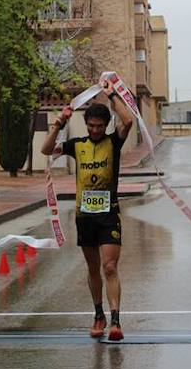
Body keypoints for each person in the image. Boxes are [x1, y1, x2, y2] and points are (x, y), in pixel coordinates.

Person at [40, 81, 133, 341]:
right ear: (86, 125)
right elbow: (46, 150)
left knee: (110, 266)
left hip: (108, 214)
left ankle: (115, 320)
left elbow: (128, 121)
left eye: (99, 127)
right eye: (90, 126)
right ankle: (98, 315)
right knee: (93, 268)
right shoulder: (76, 145)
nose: (94, 131)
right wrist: (58, 123)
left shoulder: (114, 142)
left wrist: (111, 94)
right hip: (85, 216)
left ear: (105, 126)